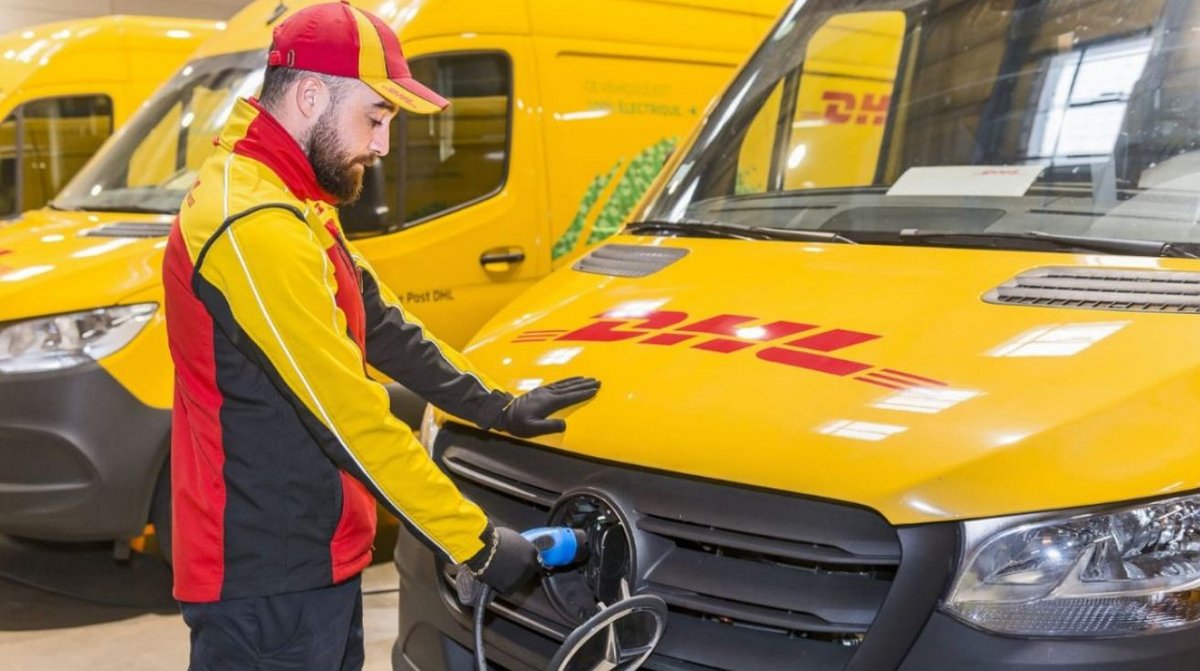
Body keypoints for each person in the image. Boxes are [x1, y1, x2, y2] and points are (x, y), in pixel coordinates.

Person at [161, 2, 600, 668]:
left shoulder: (290, 195)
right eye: (375, 117)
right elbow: (350, 417)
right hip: (264, 580)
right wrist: (476, 542)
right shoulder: (251, 225)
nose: (383, 144)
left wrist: (497, 405)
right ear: (310, 95)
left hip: (311, 555)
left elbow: (381, 321)